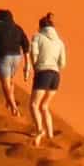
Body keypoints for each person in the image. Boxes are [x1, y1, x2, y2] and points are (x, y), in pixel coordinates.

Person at [28, 13, 68, 145]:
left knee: (34, 105)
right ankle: (50, 135)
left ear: (41, 27)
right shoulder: (60, 41)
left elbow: (34, 54)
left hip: (43, 72)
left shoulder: (37, 37)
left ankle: (40, 130)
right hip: (55, 76)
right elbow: (62, 63)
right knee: (45, 106)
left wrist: (35, 67)